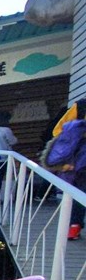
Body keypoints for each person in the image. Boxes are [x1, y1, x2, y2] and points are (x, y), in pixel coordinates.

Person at [45, 99, 86, 239]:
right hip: (81, 158)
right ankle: (75, 224)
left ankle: (75, 225)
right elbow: (59, 130)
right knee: (80, 190)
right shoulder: (81, 106)